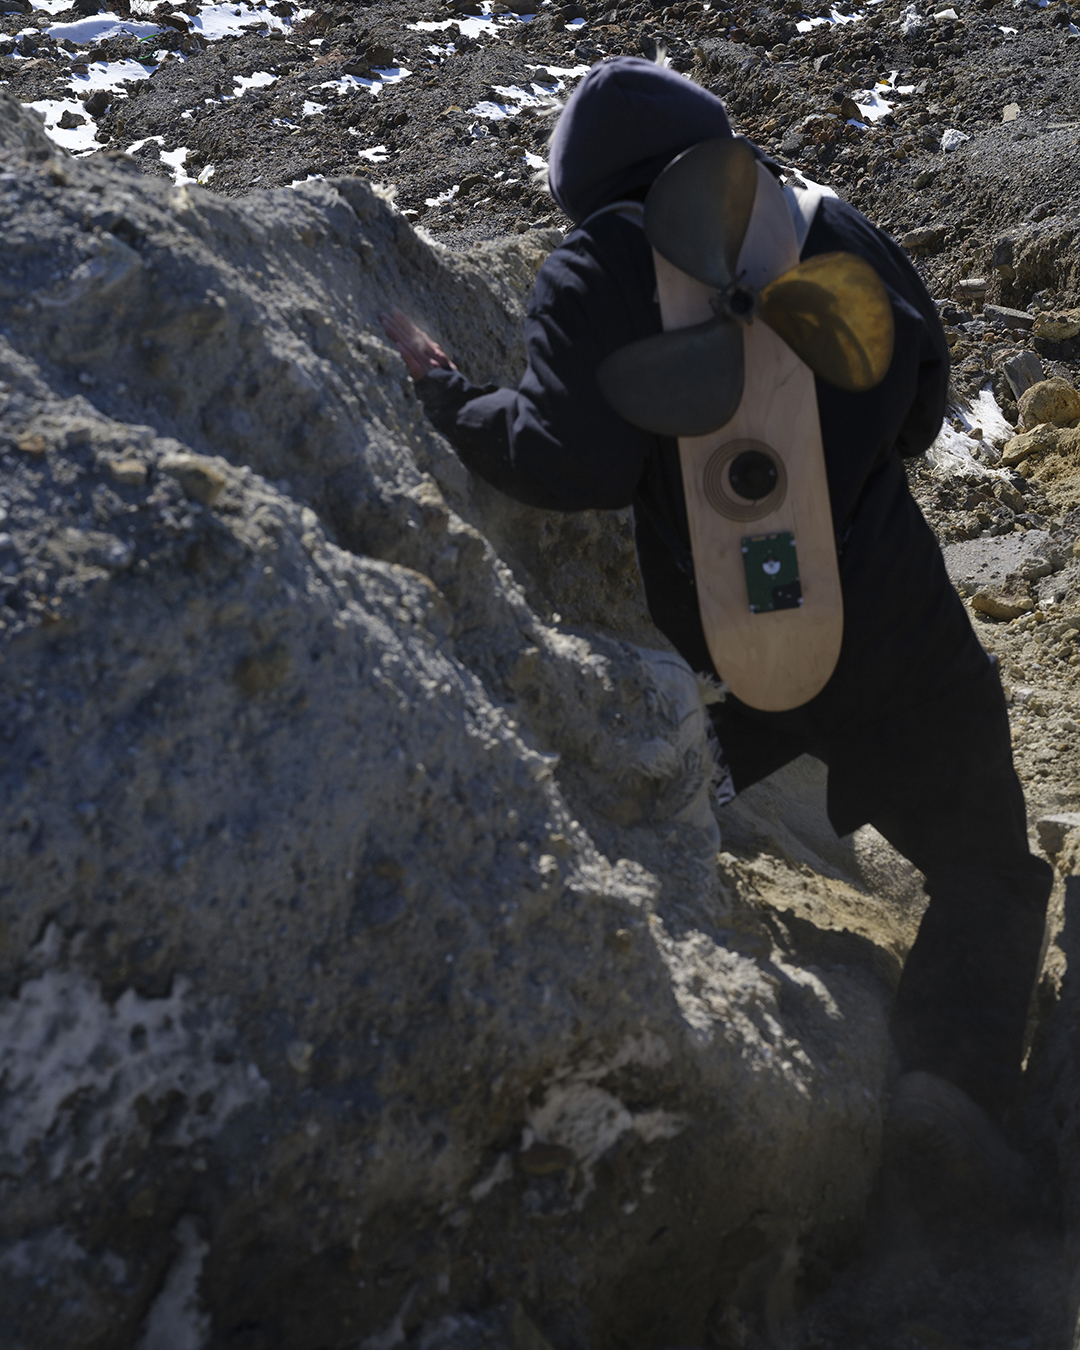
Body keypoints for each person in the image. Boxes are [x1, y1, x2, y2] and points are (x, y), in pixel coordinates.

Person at [380, 57, 1052, 1200]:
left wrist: (449, 397)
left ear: (582, 186)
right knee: (986, 866)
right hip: (892, 618)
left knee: (670, 798)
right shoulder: (819, 218)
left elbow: (567, 462)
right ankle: (945, 1095)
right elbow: (922, 399)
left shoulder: (597, 263)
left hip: (731, 654)